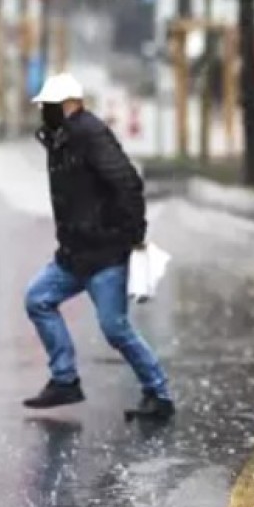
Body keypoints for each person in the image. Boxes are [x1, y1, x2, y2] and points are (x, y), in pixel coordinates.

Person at [21, 72, 175, 419]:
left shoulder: (91, 135)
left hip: (105, 255)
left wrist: (132, 235)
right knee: (38, 299)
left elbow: (127, 182)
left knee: (115, 328)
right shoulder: (61, 138)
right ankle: (65, 380)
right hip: (73, 254)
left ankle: (159, 394)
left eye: (49, 105)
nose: (44, 111)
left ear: (69, 104)